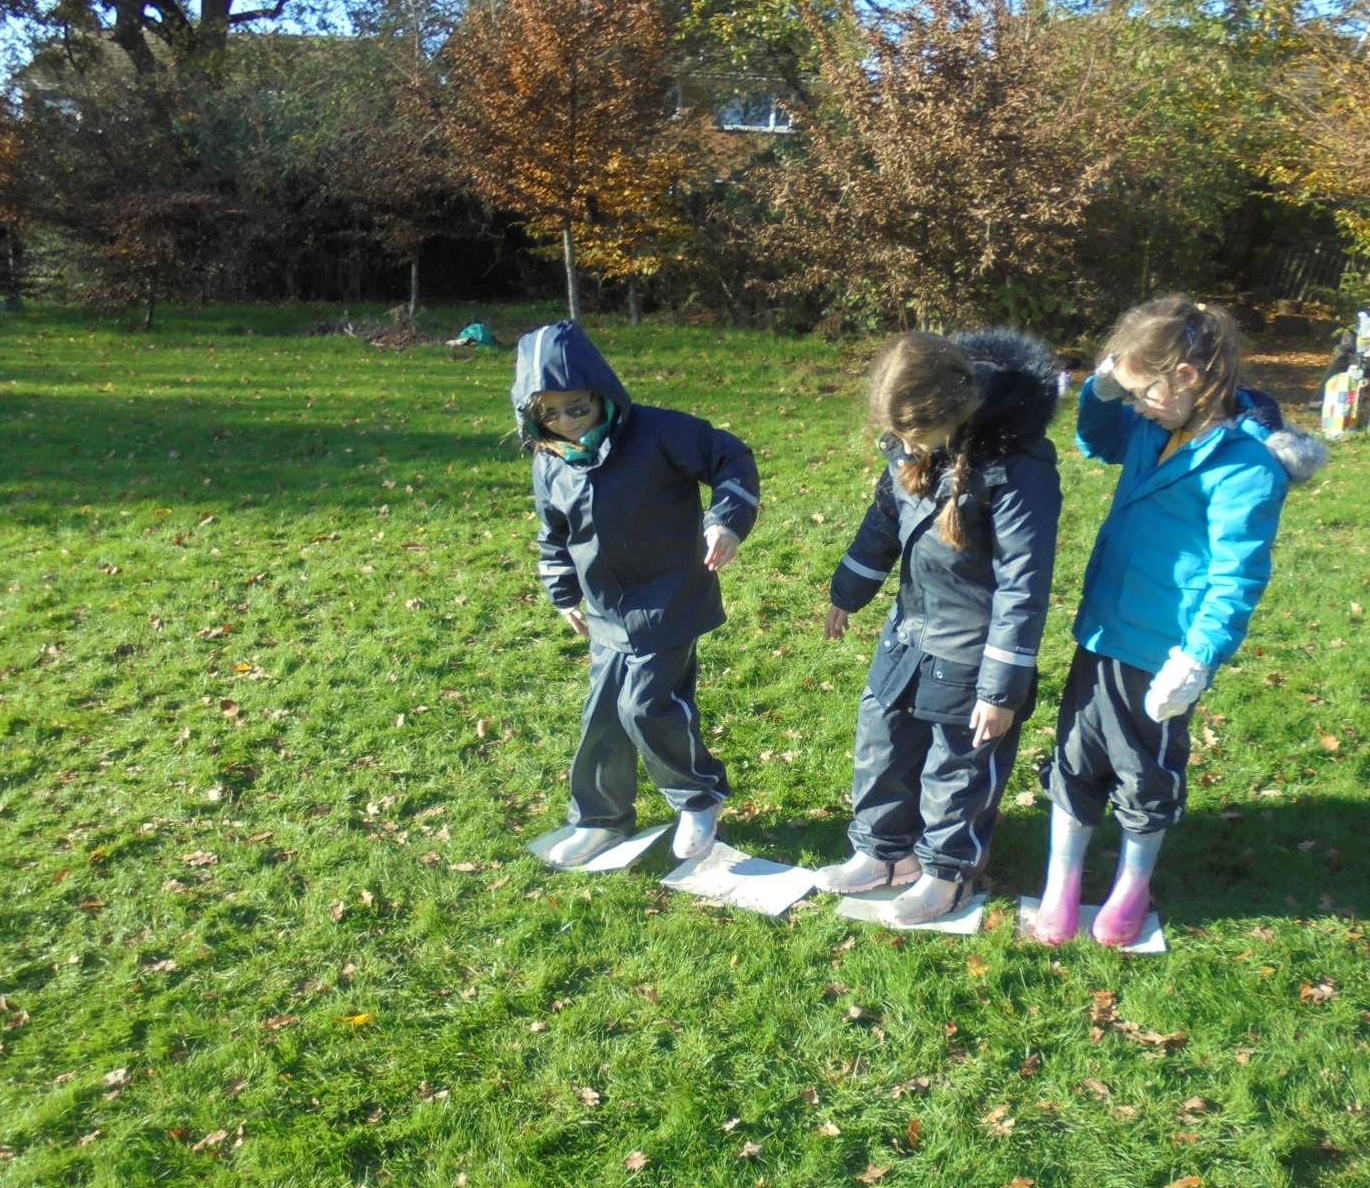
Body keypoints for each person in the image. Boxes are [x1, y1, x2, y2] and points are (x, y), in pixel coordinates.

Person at [1029, 297, 1327, 947]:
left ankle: (1130, 888)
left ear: (1187, 379)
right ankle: (1061, 884)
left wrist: (1197, 658)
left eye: (1142, 391)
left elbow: (1236, 576)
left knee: (1145, 772)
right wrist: (1104, 392)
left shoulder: (1246, 467)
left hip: (1163, 651)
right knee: (1076, 754)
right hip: (1103, 628)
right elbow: (1096, 441)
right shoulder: (1150, 425)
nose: (1136, 405)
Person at [818, 330, 1062, 924]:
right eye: (897, 435)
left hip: (973, 650)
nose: (904, 447)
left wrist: (1000, 691)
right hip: (908, 633)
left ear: (952, 409)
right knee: (881, 741)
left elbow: (1023, 585)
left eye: (912, 434)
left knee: (957, 767)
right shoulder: (916, 447)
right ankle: (881, 851)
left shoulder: (1019, 467)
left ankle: (945, 874)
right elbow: (885, 520)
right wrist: (848, 592)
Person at [517, 320, 759, 866]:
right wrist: (563, 592)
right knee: (602, 715)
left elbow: (731, 457)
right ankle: (600, 818)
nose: (567, 423)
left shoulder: (659, 432)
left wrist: (726, 522)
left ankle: (698, 797)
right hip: (605, 610)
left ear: (601, 394)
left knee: (646, 705)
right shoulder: (549, 461)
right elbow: (554, 533)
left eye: (577, 408)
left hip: (671, 598)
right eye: (551, 414)